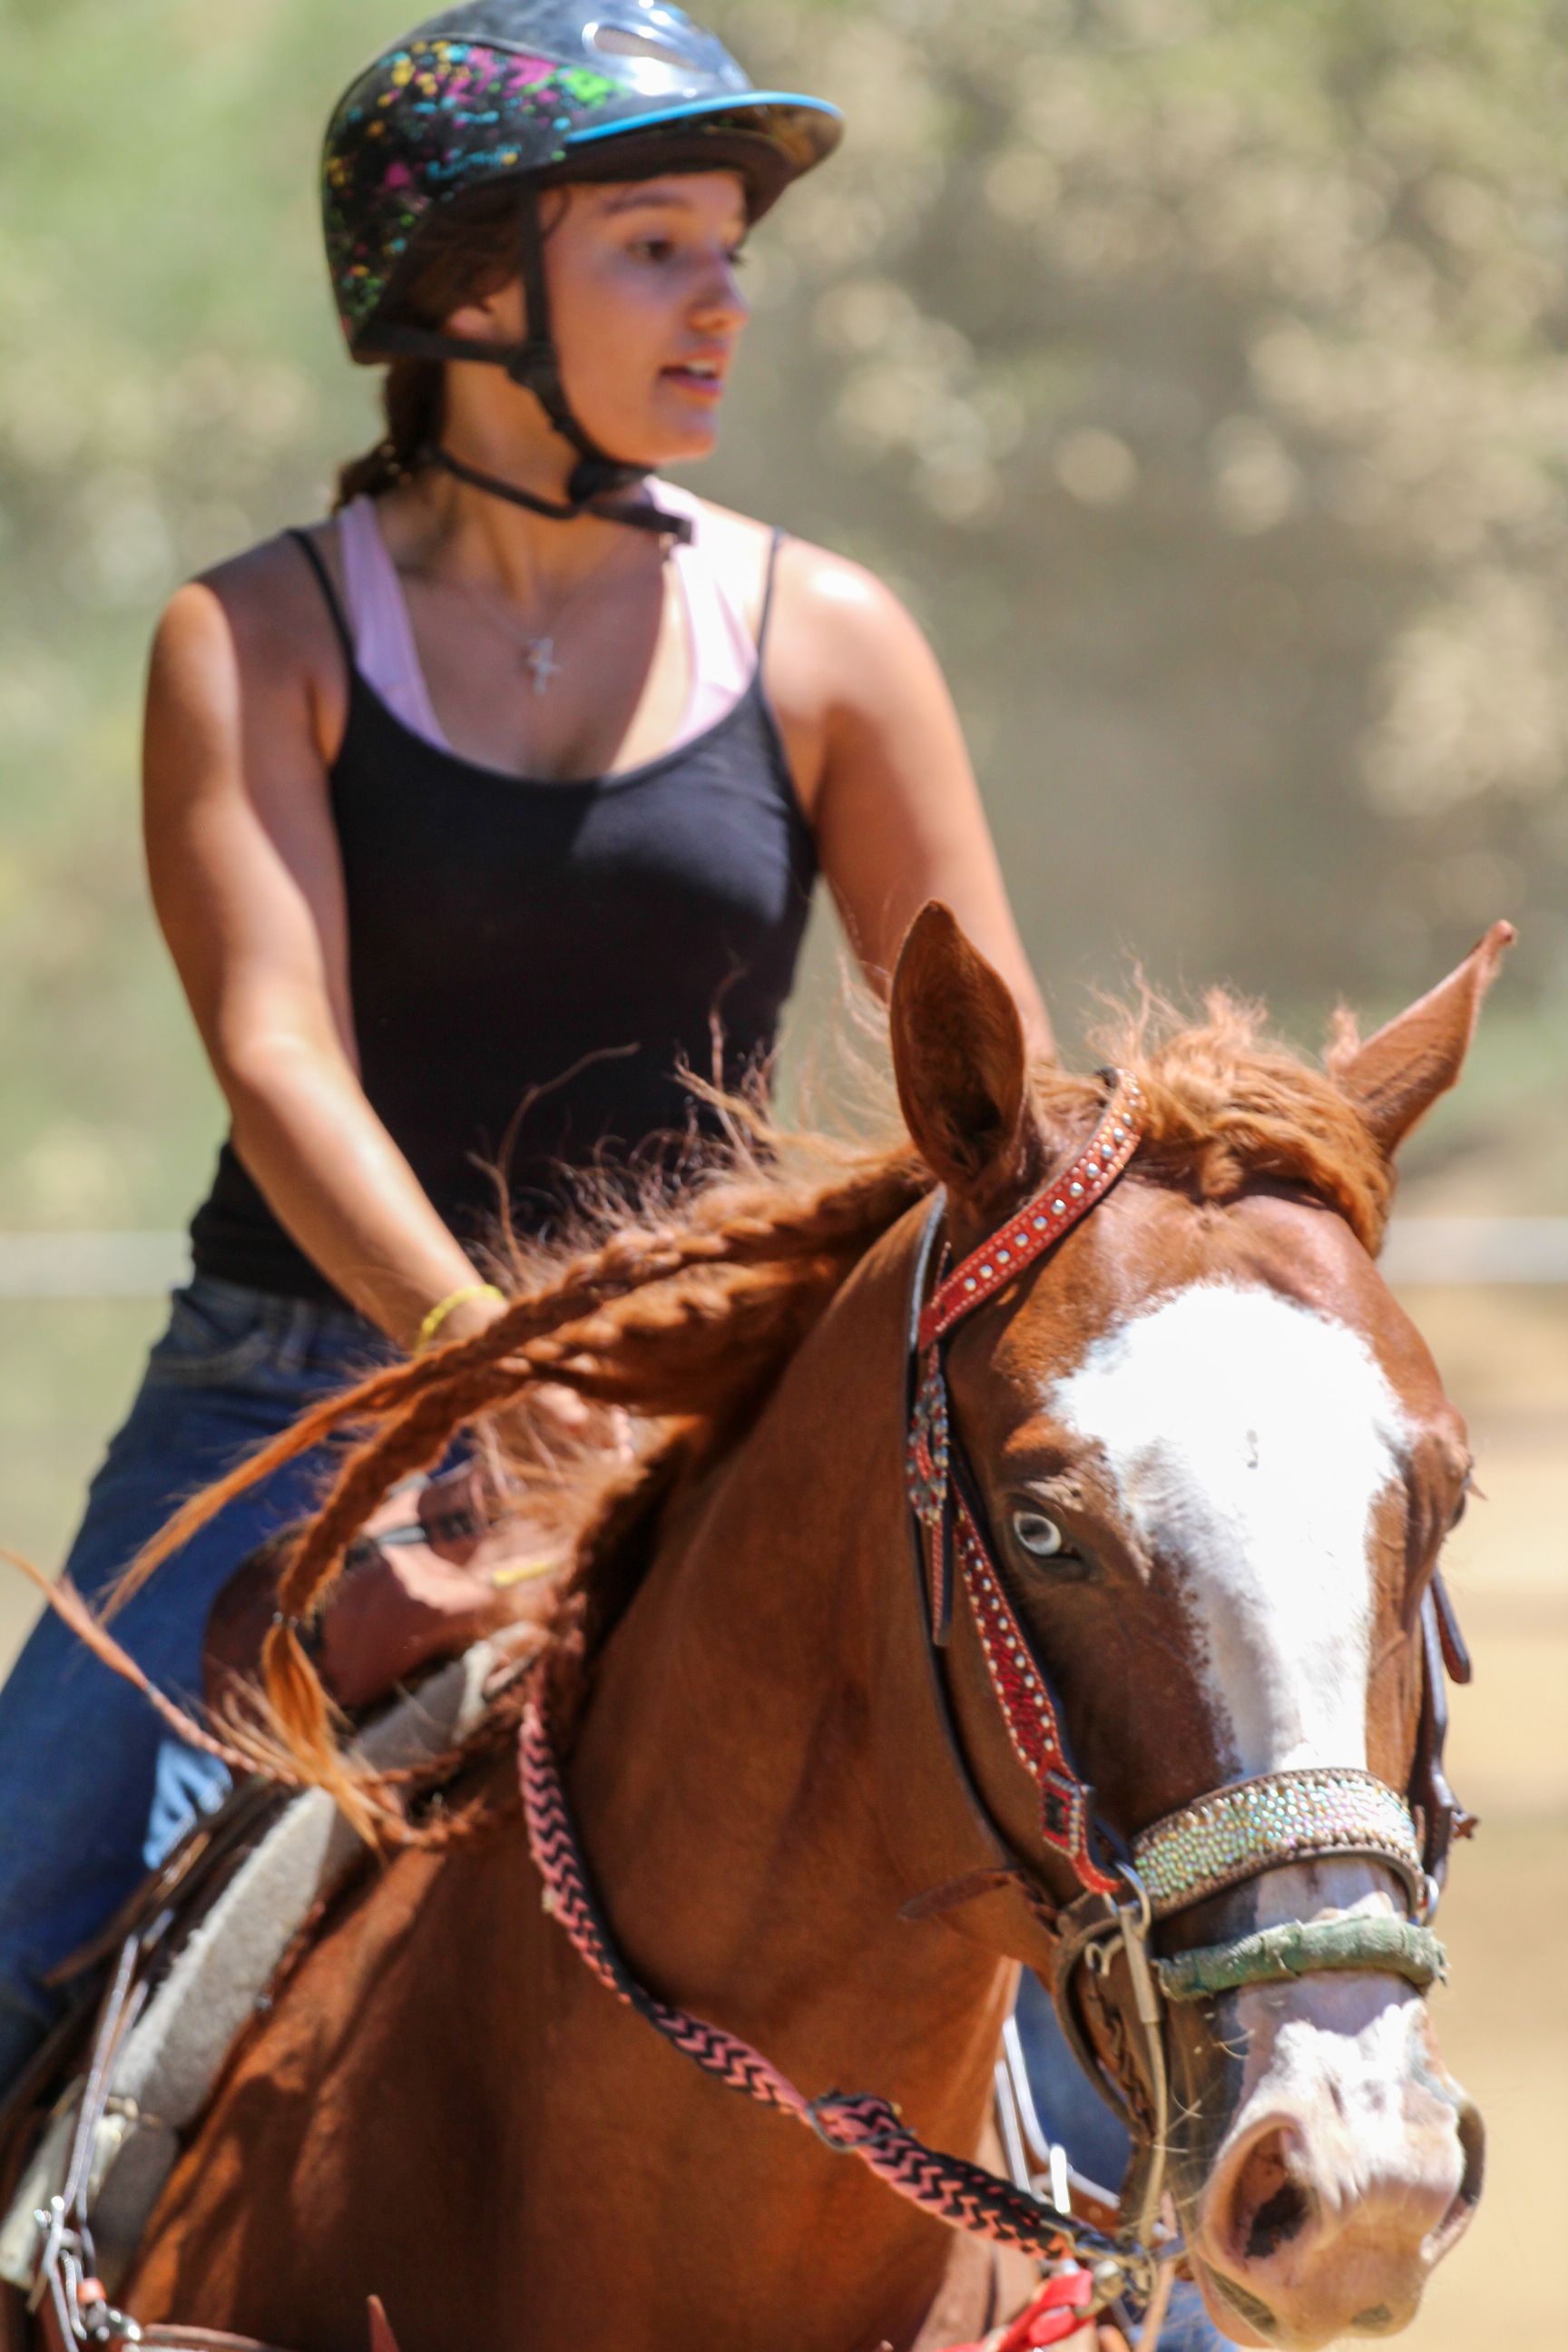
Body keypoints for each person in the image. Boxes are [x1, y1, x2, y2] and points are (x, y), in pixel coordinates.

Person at [0, 10, 1231, 2340]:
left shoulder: (832, 641)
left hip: (721, 1419)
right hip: (297, 1396)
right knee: (13, 1906)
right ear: (468, 288)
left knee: (1094, 2032)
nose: (724, 302)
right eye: (655, 246)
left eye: (732, 251)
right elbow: (278, 1056)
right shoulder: (255, 639)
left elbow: (1000, 1102)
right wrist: (493, 1367)